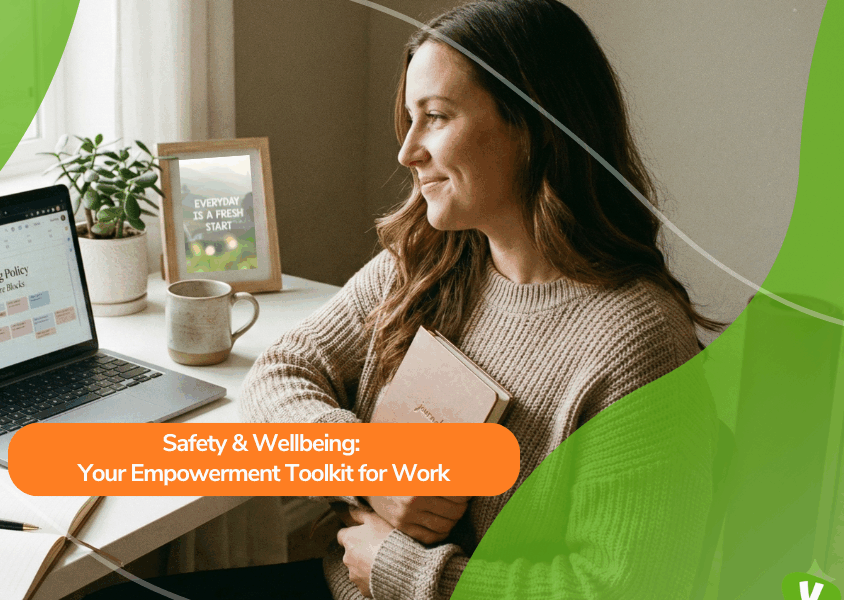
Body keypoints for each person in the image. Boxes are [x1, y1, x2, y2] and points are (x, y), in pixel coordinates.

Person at [82, 0, 719, 598]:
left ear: (535, 128)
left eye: (436, 117)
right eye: (409, 118)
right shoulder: (434, 257)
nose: (407, 150)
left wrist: (405, 569)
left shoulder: (639, 343)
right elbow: (282, 370)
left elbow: (619, 586)